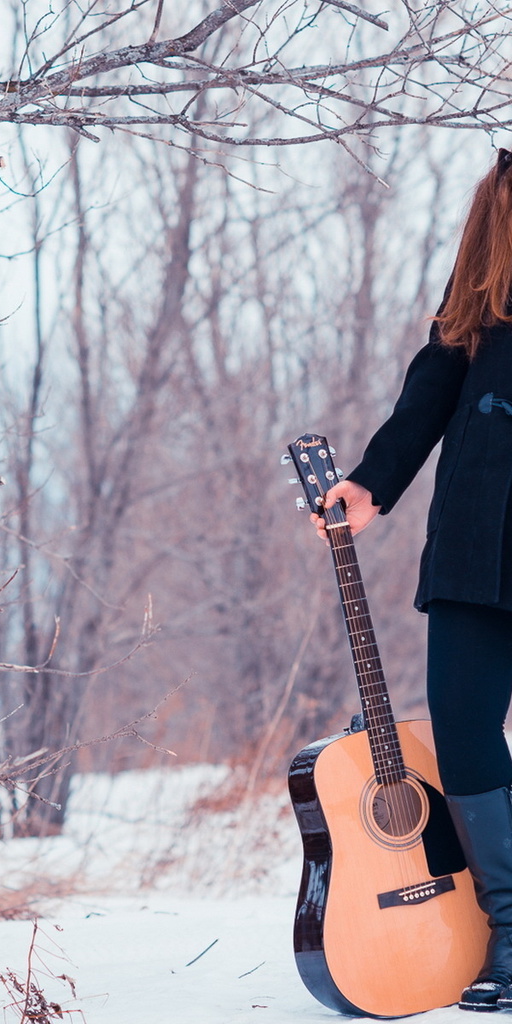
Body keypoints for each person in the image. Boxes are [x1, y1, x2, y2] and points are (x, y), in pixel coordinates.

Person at [312, 146, 512, 1013]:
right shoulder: (491, 253)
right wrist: (371, 481)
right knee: (465, 729)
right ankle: (510, 927)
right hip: (478, 534)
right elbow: (433, 381)